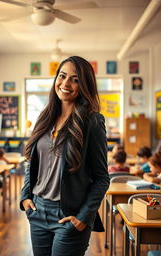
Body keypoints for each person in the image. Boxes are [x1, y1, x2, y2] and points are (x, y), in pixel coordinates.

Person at [20, 56, 109, 256]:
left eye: (75, 79)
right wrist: (25, 197)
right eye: (62, 76)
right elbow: (33, 163)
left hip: (69, 213)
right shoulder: (44, 118)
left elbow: (102, 178)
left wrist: (83, 218)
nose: (66, 84)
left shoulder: (92, 121)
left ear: (84, 85)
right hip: (38, 210)